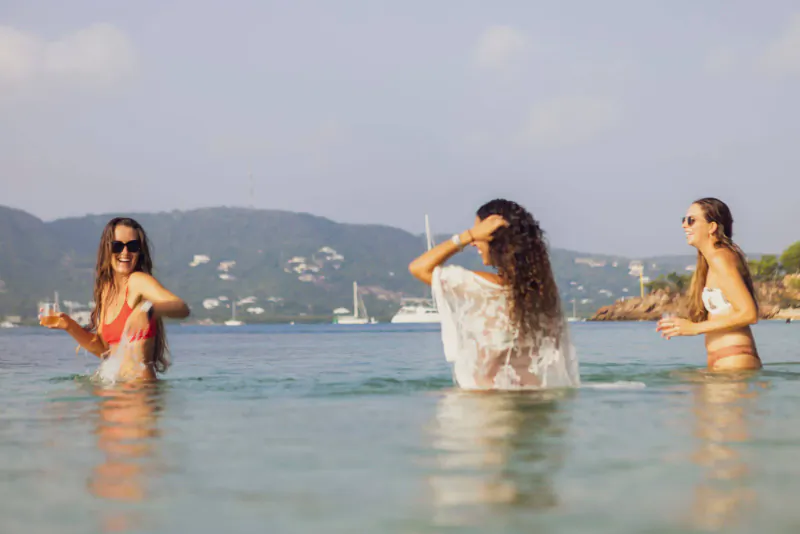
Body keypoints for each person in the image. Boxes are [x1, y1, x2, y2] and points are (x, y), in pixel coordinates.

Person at [408, 199, 579, 390]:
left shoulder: (480, 287)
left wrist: (466, 236)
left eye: (480, 233)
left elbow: (419, 267)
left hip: (486, 410)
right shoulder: (543, 294)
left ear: (494, 238)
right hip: (537, 407)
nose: (474, 243)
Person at [40, 217, 190, 380]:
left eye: (132, 246)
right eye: (117, 246)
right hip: (113, 392)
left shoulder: (137, 281)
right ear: (107, 249)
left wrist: (147, 310)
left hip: (138, 394)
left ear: (139, 252)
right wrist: (69, 325)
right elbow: (104, 352)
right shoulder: (106, 290)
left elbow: (181, 307)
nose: (125, 252)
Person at [657, 198, 761, 370]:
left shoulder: (721, 258)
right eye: (683, 220)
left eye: (691, 220)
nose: (684, 225)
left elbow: (749, 313)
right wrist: (682, 325)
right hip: (723, 359)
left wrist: (694, 328)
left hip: (734, 358)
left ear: (712, 227)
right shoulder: (710, 261)